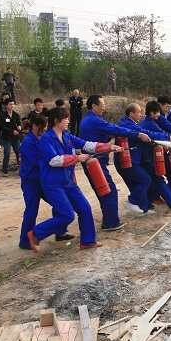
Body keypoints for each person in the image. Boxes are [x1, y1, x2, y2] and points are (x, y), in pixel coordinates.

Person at [26, 107, 115, 253]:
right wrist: (77, 158)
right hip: (53, 184)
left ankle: (88, 241)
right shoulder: (46, 139)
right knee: (67, 215)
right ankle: (36, 233)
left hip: (69, 183)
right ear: (56, 121)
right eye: (66, 118)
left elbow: (87, 145)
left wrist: (109, 147)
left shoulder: (67, 137)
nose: (68, 121)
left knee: (85, 208)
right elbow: (54, 160)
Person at [80, 95, 150, 229]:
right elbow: (114, 128)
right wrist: (137, 134)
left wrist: (108, 136)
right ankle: (110, 223)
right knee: (109, 190)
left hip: (93, 160)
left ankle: (109, 220)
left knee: (103, 190)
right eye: (102, 104)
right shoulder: (94, 120)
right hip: (95, 161)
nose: (104, 107)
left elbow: (99, 136)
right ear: (94, 106)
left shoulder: (88, 120)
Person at [18, 114, 73, 249]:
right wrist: (55, 159)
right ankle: (25, 241)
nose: (45, 129)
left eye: (47, 127)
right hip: (31, 182)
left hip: (44, 180)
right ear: (35, 126)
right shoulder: (28, 143)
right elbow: (39, 161)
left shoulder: (43, 139)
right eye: (43, 127)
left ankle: (60, 231)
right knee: (31, 211)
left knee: (59, 204)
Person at [114, 103, 171, 214]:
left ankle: (143, 208)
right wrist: (168, 138)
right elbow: (147, 133)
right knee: (145, 180)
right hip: (127, 161)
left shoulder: (128, 122)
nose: (141, 115)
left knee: (137, 184)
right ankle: (132, 201)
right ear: (131, 114)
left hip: (131, 160)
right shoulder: (129, 124)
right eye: (138, 112)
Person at [139, 101, 171, 210]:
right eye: (157, 112)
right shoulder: (148, 124)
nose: (159, 115)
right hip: (148, 157)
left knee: (154, 179)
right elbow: (160, 133)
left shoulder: (150, 122)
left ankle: (152, 201)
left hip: (150, 156)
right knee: (157, 179)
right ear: (151, 112)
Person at [0, 98, 21, 175]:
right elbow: (2, 127)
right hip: (7, 137)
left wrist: (19, 126)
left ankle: (21, 167)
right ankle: (5, 170)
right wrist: (12, 131)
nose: (12, 106)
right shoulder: (2, 116)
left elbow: (19, 123)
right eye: (10, 104)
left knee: (19, 153)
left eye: (13, 104)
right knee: (7, 154)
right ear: (6, 105)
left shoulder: (16, 115)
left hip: (15, 137)